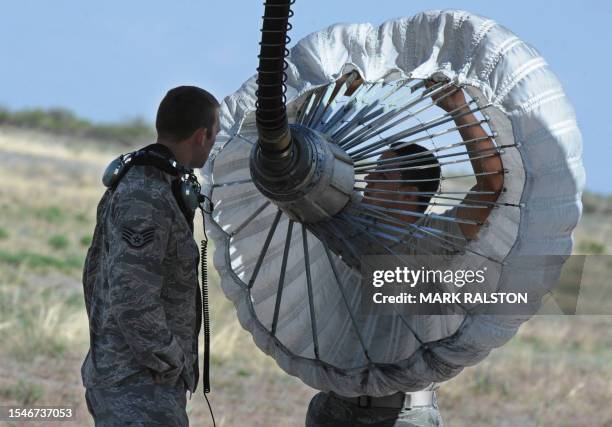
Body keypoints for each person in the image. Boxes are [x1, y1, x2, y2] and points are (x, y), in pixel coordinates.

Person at [306, 75, 504, 427]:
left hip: (402, 415)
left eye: (382, 178)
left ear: (409, 194)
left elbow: (491, 182)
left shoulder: (439, 239)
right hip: (335, 407)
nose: (368, 184)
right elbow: (310, 171)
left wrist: (457, 107)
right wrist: (341, 96)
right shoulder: (347, 225)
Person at [81, 86, 220, 426]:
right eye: (214, 134)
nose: (214, 142)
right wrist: (170, 360)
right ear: (201, 136)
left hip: (140, 381)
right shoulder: (146, 196)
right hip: (137, 385)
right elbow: (131, 295)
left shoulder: (155, 183)